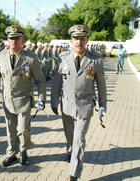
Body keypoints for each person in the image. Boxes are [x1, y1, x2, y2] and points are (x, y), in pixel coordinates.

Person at [0, 25, 46, 167]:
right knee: (10, 130)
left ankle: (23, 151)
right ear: (7, 40)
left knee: (23, 130)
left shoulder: (30, 58)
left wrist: (41, 99)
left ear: (22, 40)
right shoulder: (1, 56)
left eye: (17, 38)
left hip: (24, 100)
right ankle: (11, 154)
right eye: (11, 39)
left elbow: (40, 81)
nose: (14, 42)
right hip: (7, 101)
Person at [51, 25, 107, 181]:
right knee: (70, 136)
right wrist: (54, 102)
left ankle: (74, 173)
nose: (79, 42)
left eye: (82, 38)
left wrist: (103, 105)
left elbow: (101, 85)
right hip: (67, 106)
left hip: (85, 106)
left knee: (79, 139)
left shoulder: (95, 59)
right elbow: (56, 82)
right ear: (71, 41)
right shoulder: (62, 58)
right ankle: (70, 150)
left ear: (87, 40)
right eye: (76, 38)